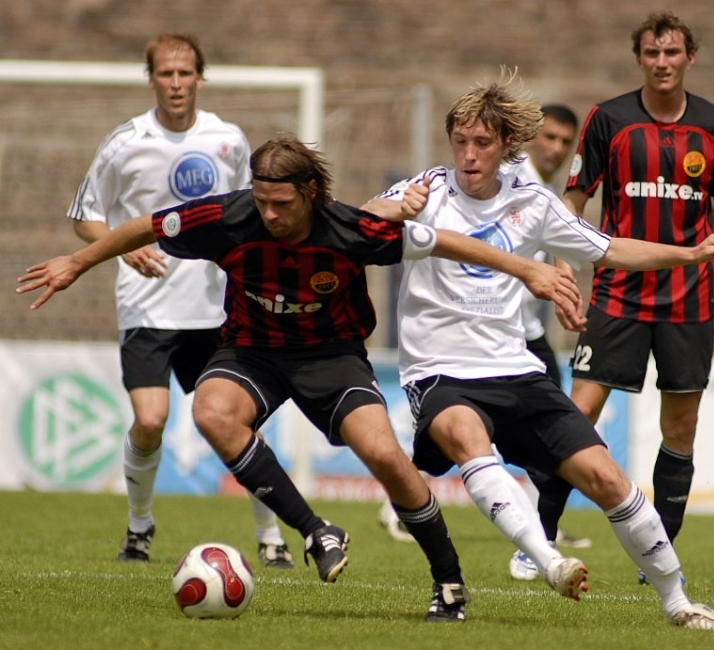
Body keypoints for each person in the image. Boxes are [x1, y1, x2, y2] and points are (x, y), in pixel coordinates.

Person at [19, 135, 584, 622]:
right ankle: (316, 530)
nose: (269, 214)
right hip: (252, 352)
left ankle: (448, 581)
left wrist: (527, 267)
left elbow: (441, 241)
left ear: (310, 193)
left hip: (332, 357)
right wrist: (77, 262)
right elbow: (146, 225)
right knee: (211, 412)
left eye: (281, 203)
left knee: (386, 457)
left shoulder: (348, 229)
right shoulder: (226, 217)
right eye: (262, 201)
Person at [362, 68, 714, 629]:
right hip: (439, 371)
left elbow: (606, 249)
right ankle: (548, 559)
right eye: (459, 141)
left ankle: (677, 600)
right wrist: (385, 212)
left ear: (507, 145)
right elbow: (353, 226)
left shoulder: (532, 201)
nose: (468, 154)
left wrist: (690, 254)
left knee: (608, 479)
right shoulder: (427, 190)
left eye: (481, 143)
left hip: (515, 371)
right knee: (467, 436)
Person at [65, 33, 294, 568]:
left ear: (199, 77)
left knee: (240, 422)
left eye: (185, 73)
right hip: (146, 306)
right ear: (151, 79)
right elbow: (83, 217)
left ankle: (270, 535)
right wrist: (122, 251)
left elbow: (252, 213)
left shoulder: (228, 139)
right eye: (165, 74)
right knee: (150, 421)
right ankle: (139, 529)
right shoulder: (125, 142)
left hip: (215, 308)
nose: (175, 83)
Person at [554, 11, 714, 586]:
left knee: (679, 428)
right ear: (639, 58)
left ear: (690, 57)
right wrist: (565, 272)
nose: (662, 62)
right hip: (618, 292)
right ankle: (539, 535)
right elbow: (572, 202)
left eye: (673, 53)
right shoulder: (609, 119)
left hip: (689, 296)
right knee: (577, 412)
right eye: (652, 53)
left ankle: (656, 551)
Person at [503, 104, 592, 582]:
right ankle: (404, 508)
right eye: (549, 138)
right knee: (455, 433)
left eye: (565, 141)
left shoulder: (550, 190)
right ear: (532, 138)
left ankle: (540, 533)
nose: (556, 148)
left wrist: (563, 278)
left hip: (529, 335)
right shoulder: (512, 180)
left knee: (553, 429)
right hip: (494, 337)